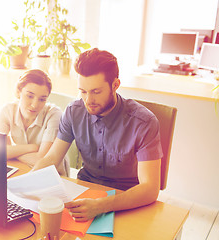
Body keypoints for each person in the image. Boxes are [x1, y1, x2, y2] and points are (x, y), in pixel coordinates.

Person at [32, 48, 163, 221]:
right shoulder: (73, 111)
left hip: (126, 200)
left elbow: (150, 188)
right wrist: (25, 184)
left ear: (115, 85)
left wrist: (102, 205)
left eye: (96, 92)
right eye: (83, 91)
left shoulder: (144, 122)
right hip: (85, 192)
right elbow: (52, 158)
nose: (88, 100)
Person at [0, 69, 69, 176]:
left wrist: (11, 152)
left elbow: (43, 160)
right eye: (29, 96)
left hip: (53, 175)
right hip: (24, 170)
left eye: (42, 99)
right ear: (18, 92)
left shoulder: (54, 115)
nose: (34, 105)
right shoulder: (7, 111)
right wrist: (32, 148)